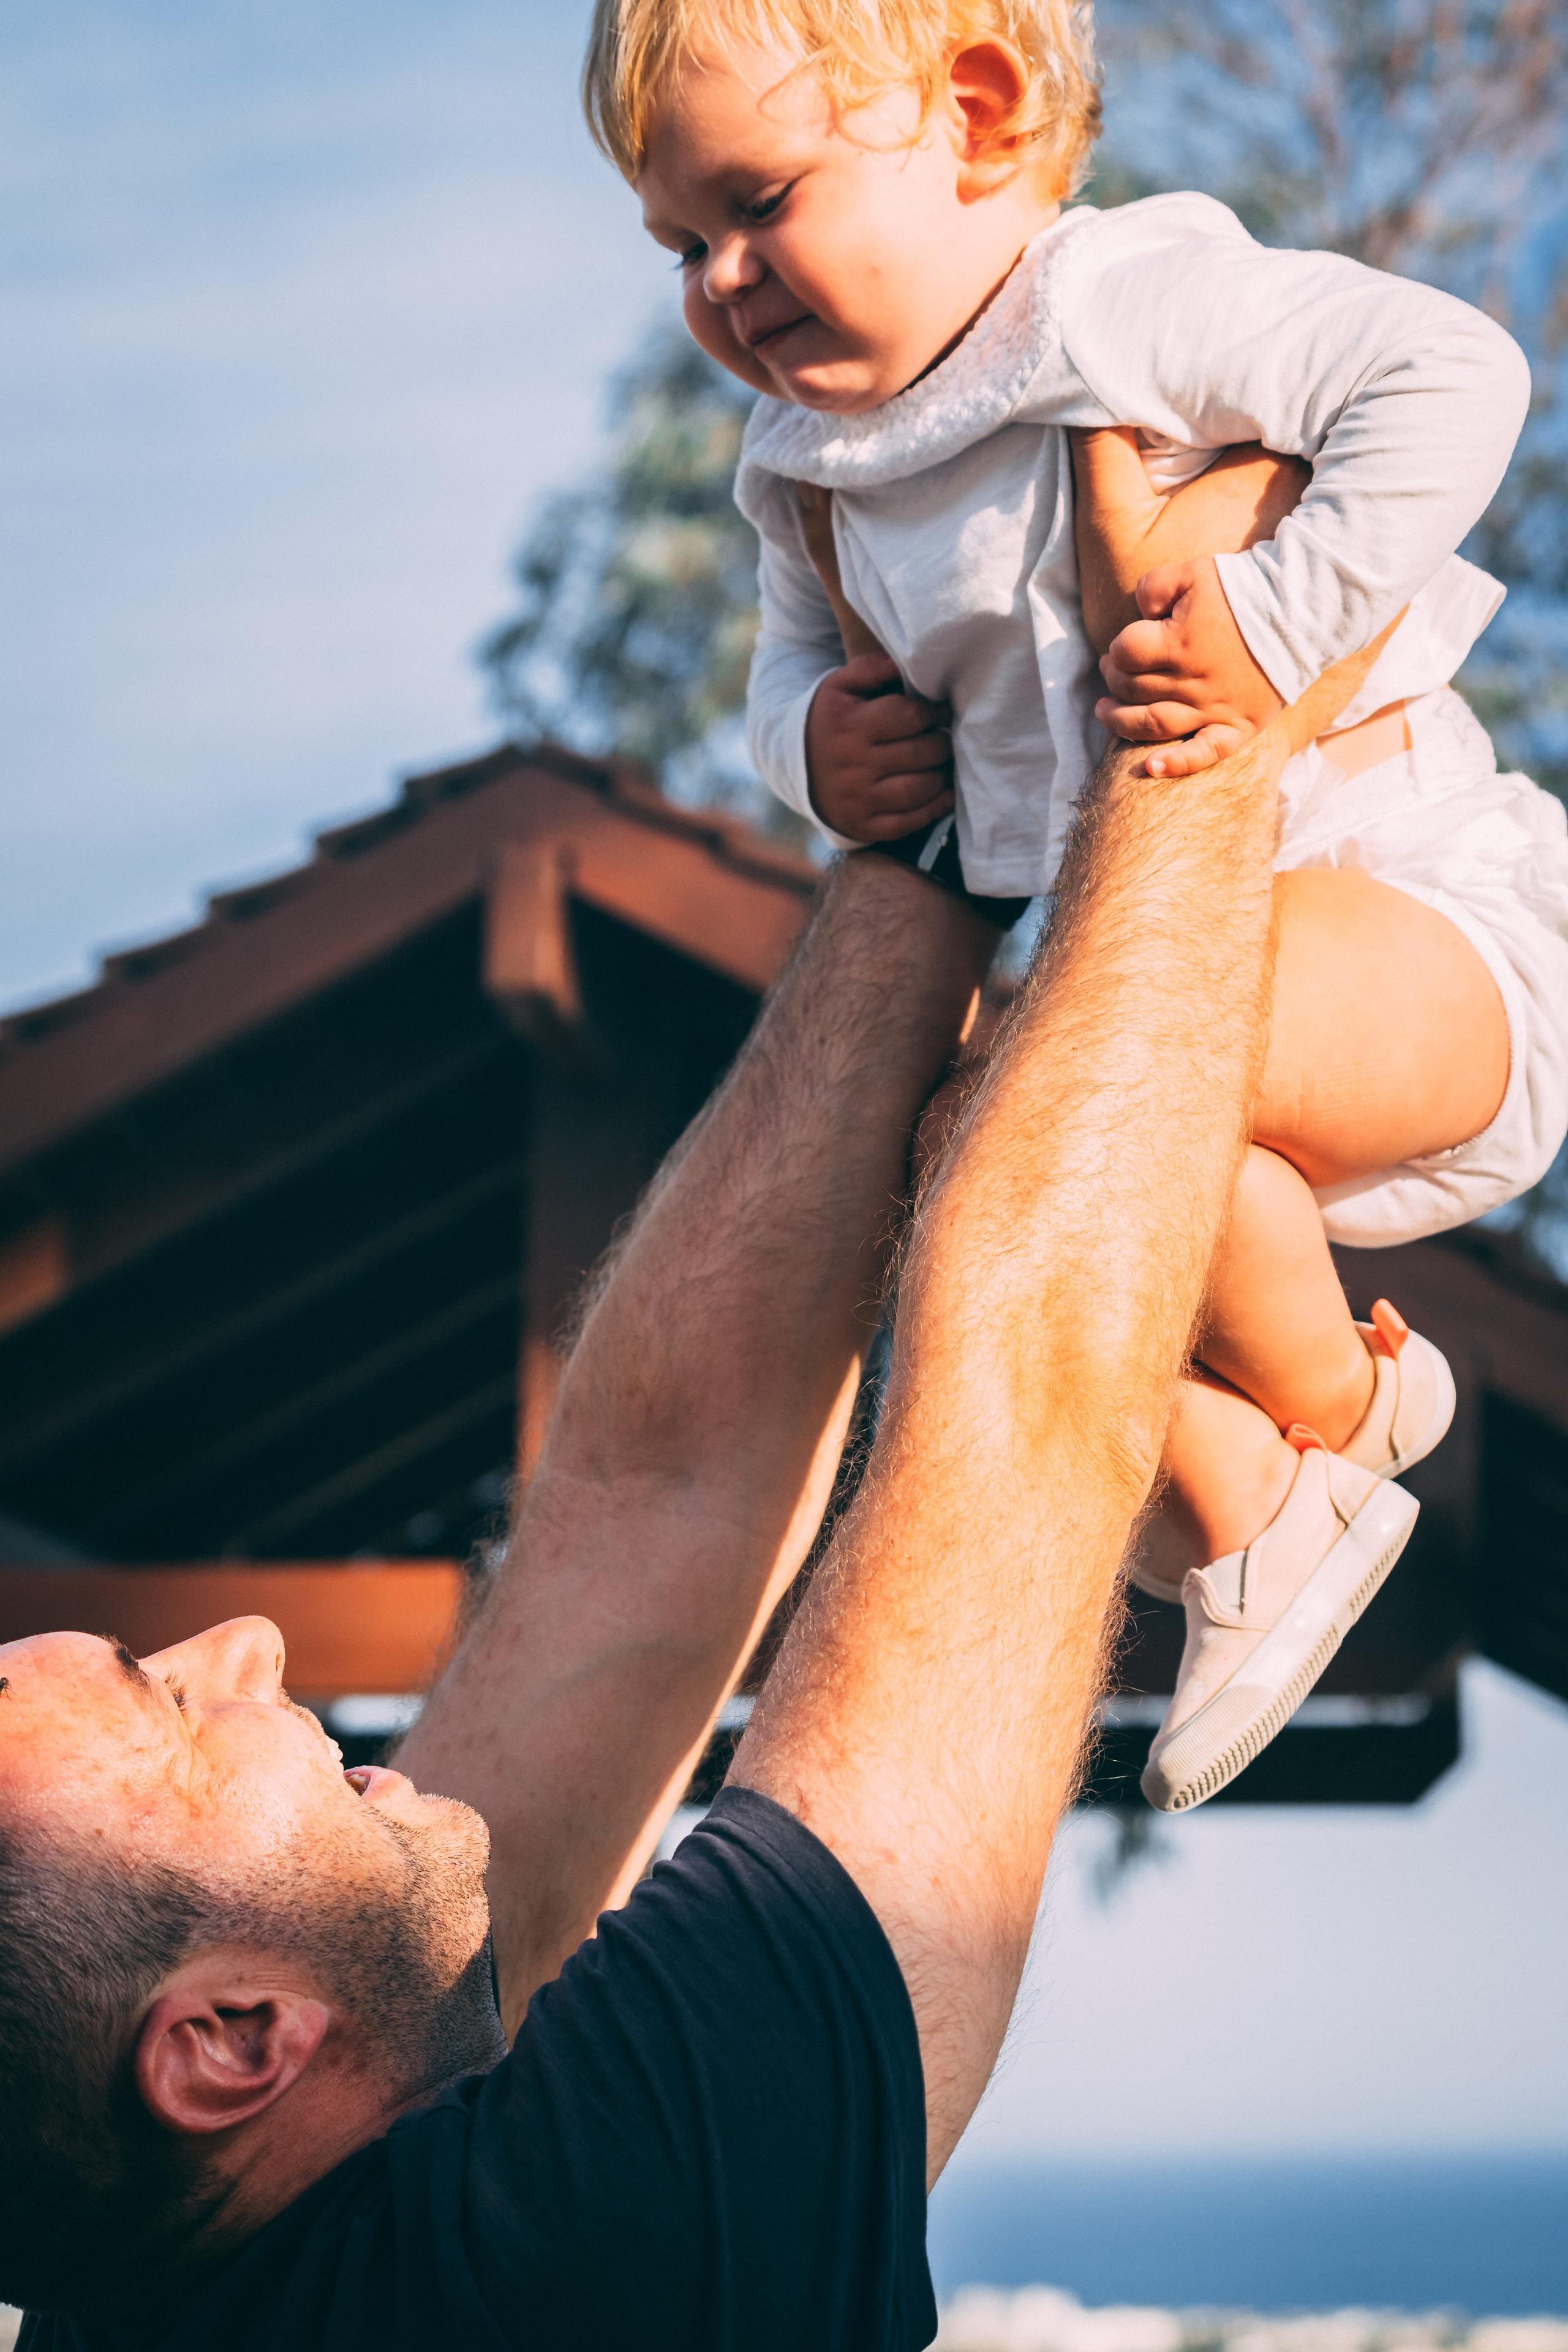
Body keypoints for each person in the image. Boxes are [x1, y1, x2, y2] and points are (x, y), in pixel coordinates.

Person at [0, 576, 1379, 2340]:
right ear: (232, 2045)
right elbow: (1030, 1396)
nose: (243, 1648)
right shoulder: (603, 2263)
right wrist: (1203, 710)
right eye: (171, 1714)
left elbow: (641, 1507)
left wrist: (932, 822)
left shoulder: (166, 2253)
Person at [587, 0, 1568, 1805]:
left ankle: (1345, 1429)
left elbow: (1452, 381)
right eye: (680, 246)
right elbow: (781, 676)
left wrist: (1273, 626)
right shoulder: (797, 478)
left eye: (762, 202)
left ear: (974, 118)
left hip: (1407, 905)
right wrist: (819, 751)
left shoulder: (1116, 301)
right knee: (978, 1176)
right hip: (1151, 974)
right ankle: (1271, 1489)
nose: (725, 278)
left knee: (1071, 1121)